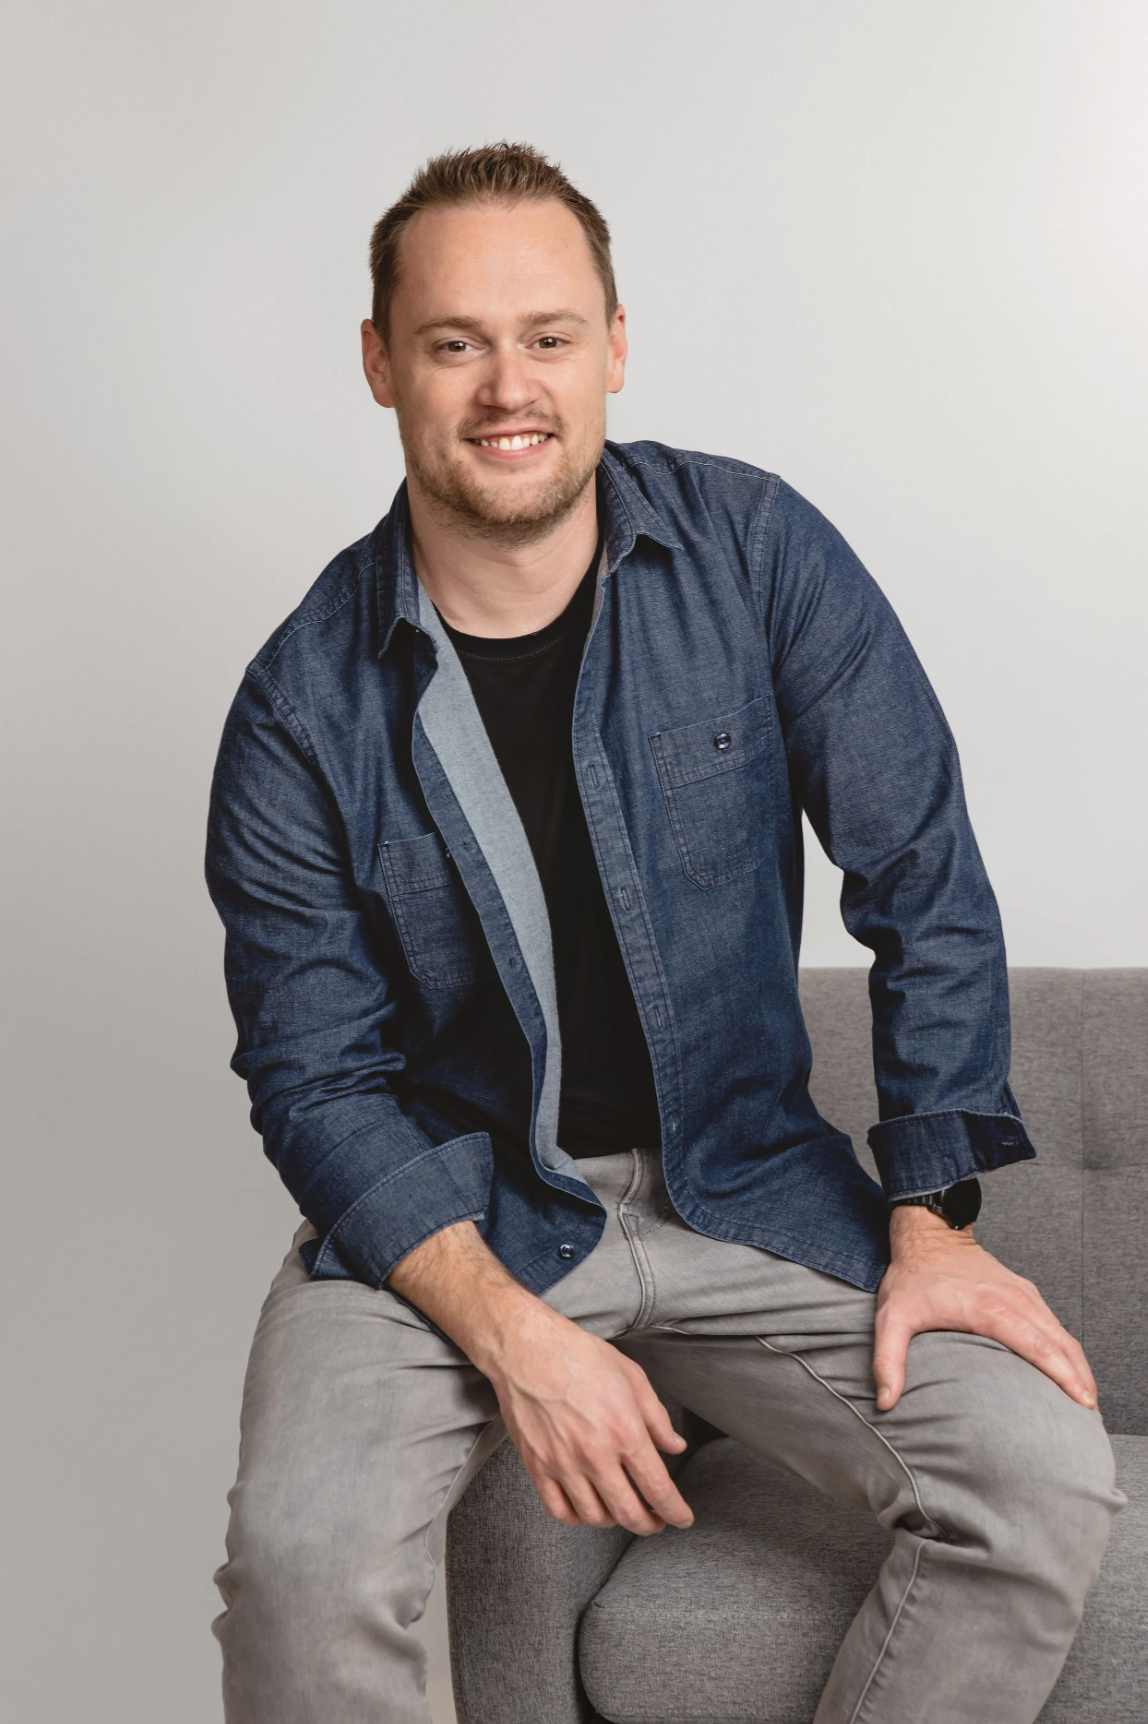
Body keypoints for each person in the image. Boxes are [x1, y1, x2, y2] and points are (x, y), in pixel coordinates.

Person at [205, 142, 1120, 1724]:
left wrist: (934, 1225)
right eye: (454, 341)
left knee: (1040, 1482)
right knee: (298, 1555)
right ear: (379, 364)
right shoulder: (299, 707)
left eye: (549, 336)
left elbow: (925, 881)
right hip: (452, 1214)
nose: (510, 387)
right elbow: (313, 1076)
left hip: (744, 1190)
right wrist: (508, 1334)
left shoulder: (759, 556)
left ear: (614, 347)